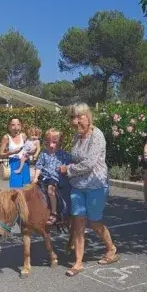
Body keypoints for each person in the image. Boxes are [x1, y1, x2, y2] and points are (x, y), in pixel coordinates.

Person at [58, 103, 118, 277]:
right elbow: (74, 158)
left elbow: (89, 164)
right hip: (78, 186)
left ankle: (111, 248)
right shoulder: (77, 137)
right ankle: (78, 263)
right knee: (78, 223)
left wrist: (67, 170)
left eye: (80, 117)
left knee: (94, 222)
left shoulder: (97, 135)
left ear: (89, 116)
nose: (76, 121)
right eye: (72, 118)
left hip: (95, 185)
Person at [33, 128, 71, 224]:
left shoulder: (64, 154)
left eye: (54, 142)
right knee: (33, 190)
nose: (51, 145)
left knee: (50, 189)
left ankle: (54, 213)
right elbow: (39, 166)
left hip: (54, 178)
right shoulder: (44, 153)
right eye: (48, 142)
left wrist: (65, 168)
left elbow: (70, 166)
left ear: (59, 142)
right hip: (43, 177)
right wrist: (35, 178)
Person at [0, 117, 31, 188]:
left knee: (27, 187)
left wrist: (31, 152)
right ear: (9, 126)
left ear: (21, 126)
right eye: (13, 125)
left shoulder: (23, 136)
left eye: (18, 124)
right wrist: (12, 152)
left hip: (25, 163)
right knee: (16, 189)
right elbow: (0, 154)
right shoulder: (6, 137)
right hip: (14, 164)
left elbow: (28, 148)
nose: (16, 127)